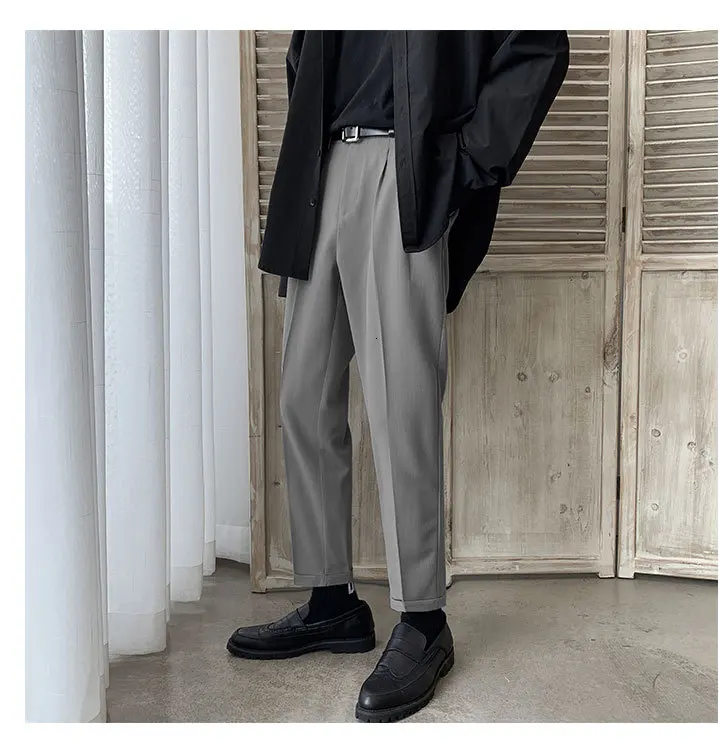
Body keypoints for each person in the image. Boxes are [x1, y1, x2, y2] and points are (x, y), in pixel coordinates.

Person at [227, 30, 569, 722]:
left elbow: (539, 43)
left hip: (403, 167)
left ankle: (424, 621)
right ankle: (332, 601)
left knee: (400, 402)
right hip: (321, 166)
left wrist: (464, 159)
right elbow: (304, 57)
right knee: (301, 396)